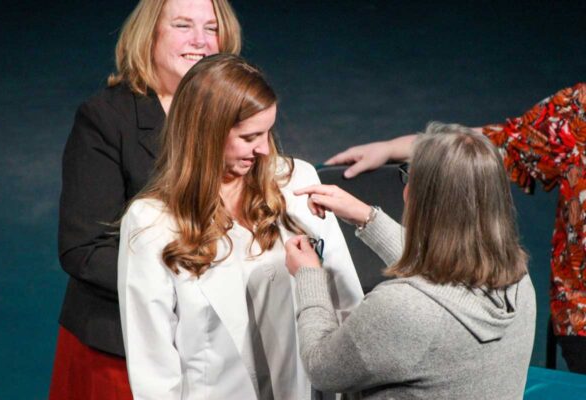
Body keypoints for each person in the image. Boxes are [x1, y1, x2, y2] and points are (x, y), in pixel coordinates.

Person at [117, 54, 363, 400]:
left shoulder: (296, 182)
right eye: (249, 137)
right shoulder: (151, 222)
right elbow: (153, 367)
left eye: (267, 132)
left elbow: (345, 300)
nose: (263, 149)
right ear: (206, 134)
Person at [50, 1, 242, 398]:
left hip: (217, 342)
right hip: (120, 348)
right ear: (149, 34)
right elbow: (83, 249)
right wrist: (184, 284)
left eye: (211, 28)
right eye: (183, 25)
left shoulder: (236, 109)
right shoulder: (104, 118)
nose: (200, 41)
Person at [326, 83, 586, 373]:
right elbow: (495, 144)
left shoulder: (395, 304)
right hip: (580, 316)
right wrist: (389, 150)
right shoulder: (578, 108)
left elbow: (323, 365)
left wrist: (308, 279)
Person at [285, 123, 537, 399]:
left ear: (417, 197)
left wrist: (309, 276)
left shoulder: (402, 308)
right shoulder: (519, 280)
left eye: (408, 178)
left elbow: (322, 368)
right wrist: (368, 217)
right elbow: (446, 277)